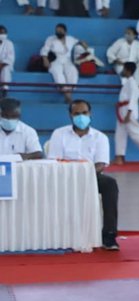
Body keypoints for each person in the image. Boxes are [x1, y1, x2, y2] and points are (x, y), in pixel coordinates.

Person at [48, 100, 119, 250]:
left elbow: (101, 164)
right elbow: (54, 161)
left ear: (90, 114)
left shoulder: (100, 137)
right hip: (64, 178)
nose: (81, 117)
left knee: (110, 184)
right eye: (77, 113)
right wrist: (72, 174)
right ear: (70, 115)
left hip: (91, 177)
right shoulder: (59, 134)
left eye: (84, 113)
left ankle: (109, 235)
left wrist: (83, 174)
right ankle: (52, 233)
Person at [40, 24, 88, 103]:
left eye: (60, 31)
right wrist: (45, 60)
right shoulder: (50, 39)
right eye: (57, 31)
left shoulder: (70, 39)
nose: (58, 32)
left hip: (67, 60)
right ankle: (68, 96)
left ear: (65, 32)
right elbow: (45, 50)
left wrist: (83, 43)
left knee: (73, 72)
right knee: (57, 73)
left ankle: (68, 93)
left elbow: (79, 42)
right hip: (56, 60)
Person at [0, 26, 14, 98]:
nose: (2, 34)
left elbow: (10, 58)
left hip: (4, 65)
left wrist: (2, 64)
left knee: (5, 69)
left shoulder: (9, 43)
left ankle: (4, 90)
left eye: (4, 33)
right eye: (1, 33)